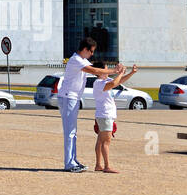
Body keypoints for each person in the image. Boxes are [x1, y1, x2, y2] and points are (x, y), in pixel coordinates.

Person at [59, 37, 116, 172]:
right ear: (85, 49)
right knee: (70, 132)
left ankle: (73, 160)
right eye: (91, 51)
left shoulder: (83, 61)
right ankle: (69, 164)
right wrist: (114, 71)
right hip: (68, 98)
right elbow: (95, 71)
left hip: (73, 98)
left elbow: (97, 68)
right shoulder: (75, 60)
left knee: (73, 132)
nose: (92, 54)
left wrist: (114, 71)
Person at [93, 60, 138, 174]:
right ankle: (107, 166)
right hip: (105, 115)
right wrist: (120, 73)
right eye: (106, 69)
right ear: (99, 71)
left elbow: (118, 82)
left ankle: (98, 165)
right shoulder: (98, 82)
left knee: (100, 141)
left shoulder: (104, 81)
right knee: (105, 142)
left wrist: (130, 73)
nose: (108, 71)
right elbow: (113, 84)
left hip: (104, 115)